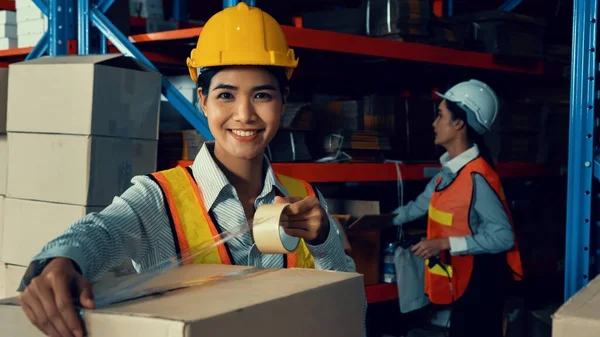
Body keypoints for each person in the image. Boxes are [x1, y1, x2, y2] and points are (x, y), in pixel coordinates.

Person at [16, 3, 362, 337]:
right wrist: (60, 262)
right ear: (203, 101)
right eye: (226, 95)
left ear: (283, 102)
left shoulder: (305, 198)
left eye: (262, 96)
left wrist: (323, 241)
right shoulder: (159, 198)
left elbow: (348, 308)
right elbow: (99, 233)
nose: (244, 115)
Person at [391, 79, 524, 337]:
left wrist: (444, 244)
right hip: (465, 279)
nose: (434, 123)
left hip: (482, 283)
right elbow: (419, 206)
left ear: (459, 123)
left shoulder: (478, 177)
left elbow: (503, 237)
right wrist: (374, 221)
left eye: (440, 115)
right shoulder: (449, 172)